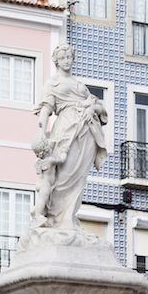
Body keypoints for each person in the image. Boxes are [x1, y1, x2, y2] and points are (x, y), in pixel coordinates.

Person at [31, 44, 108, 232]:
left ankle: (69, 219)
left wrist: (93, 108)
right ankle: (57, 219)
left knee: (79, 176)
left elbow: (99, 107)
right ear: (56, 61)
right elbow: (46, 110)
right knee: (63, 175)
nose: (67, 61)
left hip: (87, 130)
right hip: (66, 130)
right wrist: (41, 132)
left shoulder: (79, 85)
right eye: (63, 57)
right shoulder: (52, 84)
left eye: (69, 57)